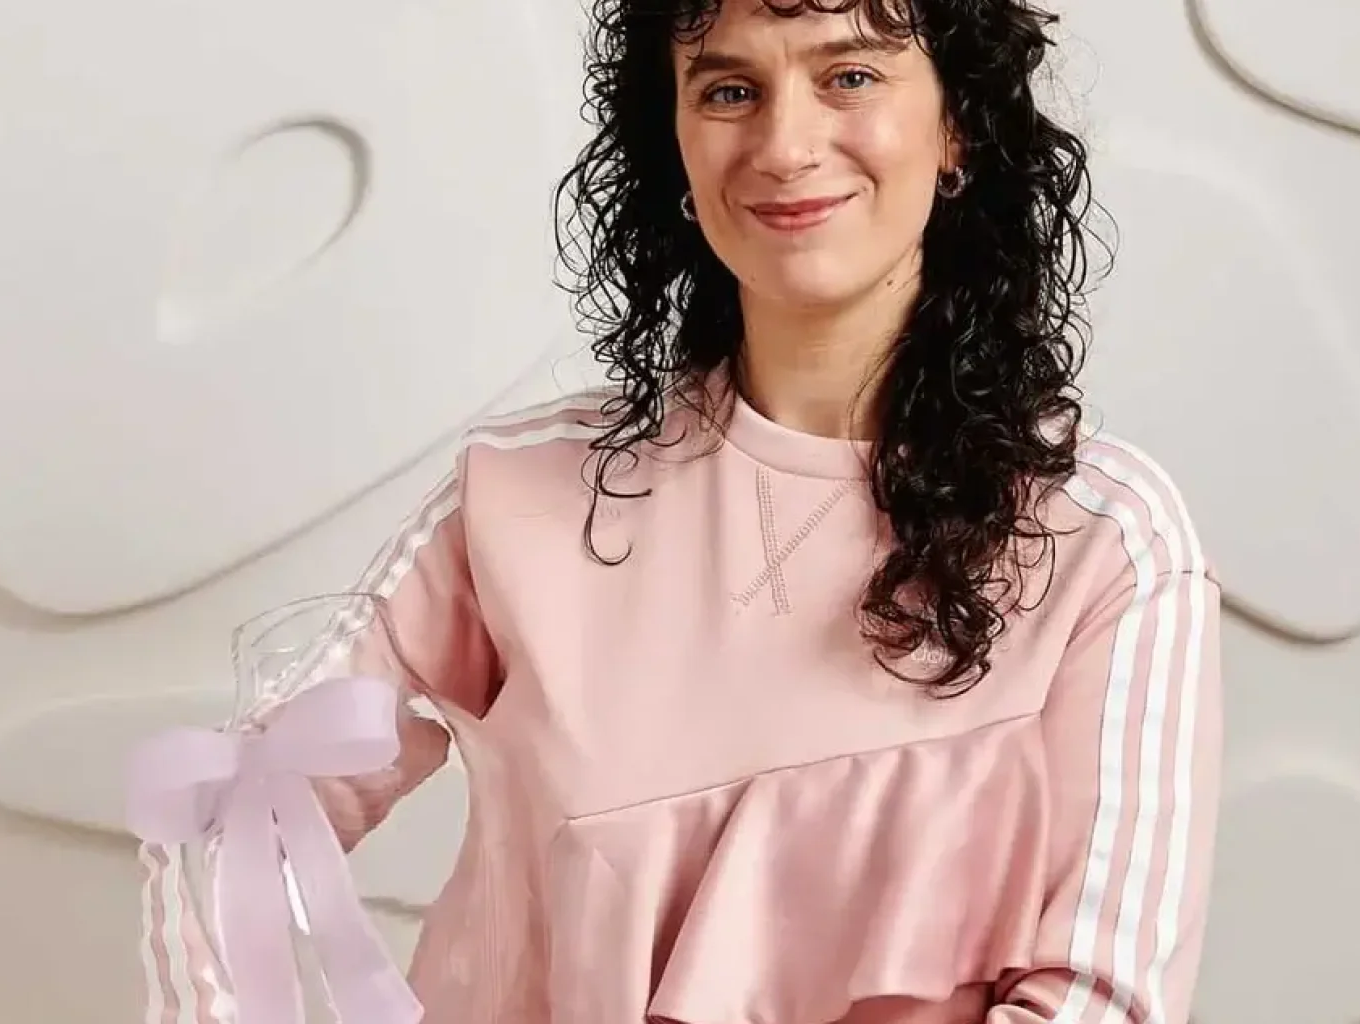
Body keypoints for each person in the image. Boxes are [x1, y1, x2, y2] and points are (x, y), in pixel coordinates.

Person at [145, 1, 1223, 1022]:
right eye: (727, 91)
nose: (787, 145)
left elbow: (1101, 996)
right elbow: (232, 830)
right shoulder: (524, 497)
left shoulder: (1102, 542)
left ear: (957, 127)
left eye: (849, 74)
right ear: (675, 143)